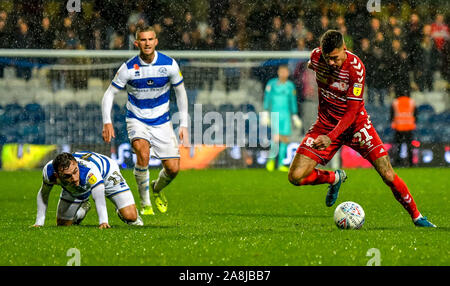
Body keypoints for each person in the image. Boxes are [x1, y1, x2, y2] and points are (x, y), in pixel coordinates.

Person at [288, 30, 435, 228]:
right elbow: (310, 63)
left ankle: (417, 217)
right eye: (327, 58)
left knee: (387, 174)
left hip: (356, 126)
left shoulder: (356, 68)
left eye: (335, 58)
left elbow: (352, 112)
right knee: (295, 176)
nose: (331, 62)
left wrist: (331, 137)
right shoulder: (317, 57)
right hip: (325, 124)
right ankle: (334, 177)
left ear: (345, 50)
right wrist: (315, 67)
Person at [101, 26, 189, 216]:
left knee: (173, 169)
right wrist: (107, 121)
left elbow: (181, 93)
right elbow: (109, 95)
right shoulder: (128, 68)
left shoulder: (169, 64)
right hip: (136, 119)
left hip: (162, 121)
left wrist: (184, 124)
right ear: (136, 43)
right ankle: (145, 203)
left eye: (150, 39)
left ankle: (156, 188)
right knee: (143, 154)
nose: (147, 43)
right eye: (143, 40)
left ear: (156, 41)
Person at [32, 152, 143, 229]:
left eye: (75, 171)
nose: (74, 178)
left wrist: (103, 222)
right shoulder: (49, 172)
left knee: (130, 216)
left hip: (107, 173)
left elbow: (99, 197)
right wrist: (39, 223)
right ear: (57, 174)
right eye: (67, 176)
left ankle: (120, 209)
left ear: (77, 165)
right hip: (75, 188)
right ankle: (83, 208)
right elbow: (43, 194)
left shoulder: (89, 172)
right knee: (62, 225)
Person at [263, 65, 302, 172]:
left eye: (285, 71)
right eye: (281, 71)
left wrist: (294, 115)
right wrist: (266, 111)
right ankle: (270, 162)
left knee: (285, 139)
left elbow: (292, 101)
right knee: (275, 138)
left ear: (288, 73)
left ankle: (280, 164)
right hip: (275, 113)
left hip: (286, 115)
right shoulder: (271, 83)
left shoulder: (290, 86)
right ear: (278, 72)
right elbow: (267, 98)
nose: (283, 73)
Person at [390, 94, 417, 167]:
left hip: (399, 127)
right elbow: (415, 115)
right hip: (409, 127)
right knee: (409, 146)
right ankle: (411, 163)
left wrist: (393, 122)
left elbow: (392, 115)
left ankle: (397, 162)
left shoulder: (395, 102)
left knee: (398, 145)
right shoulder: (411, 102)